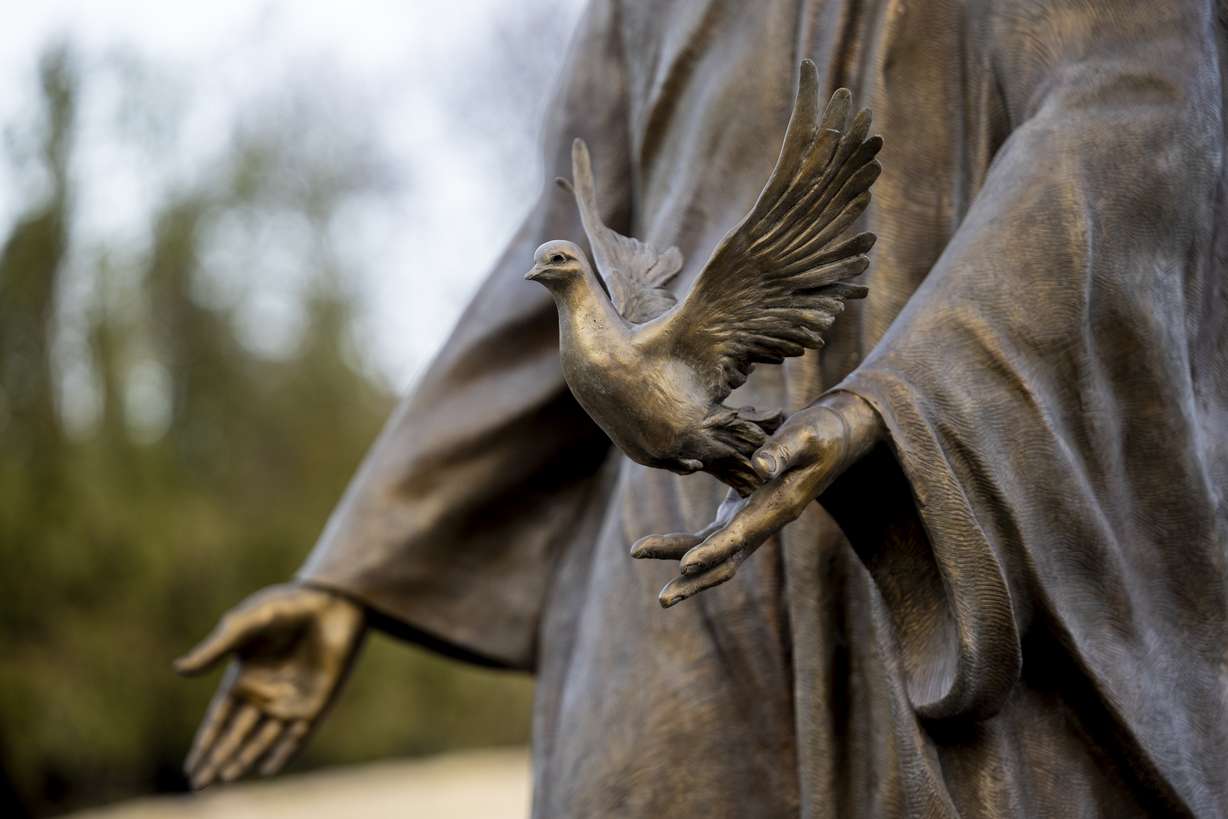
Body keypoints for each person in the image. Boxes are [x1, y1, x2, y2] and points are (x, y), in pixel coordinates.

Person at [176, 0, 1228, 815]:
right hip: (668, 570)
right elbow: (562, 252)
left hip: (955, 527)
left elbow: (1131, 109)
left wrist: (896, 405)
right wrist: (362, 560)